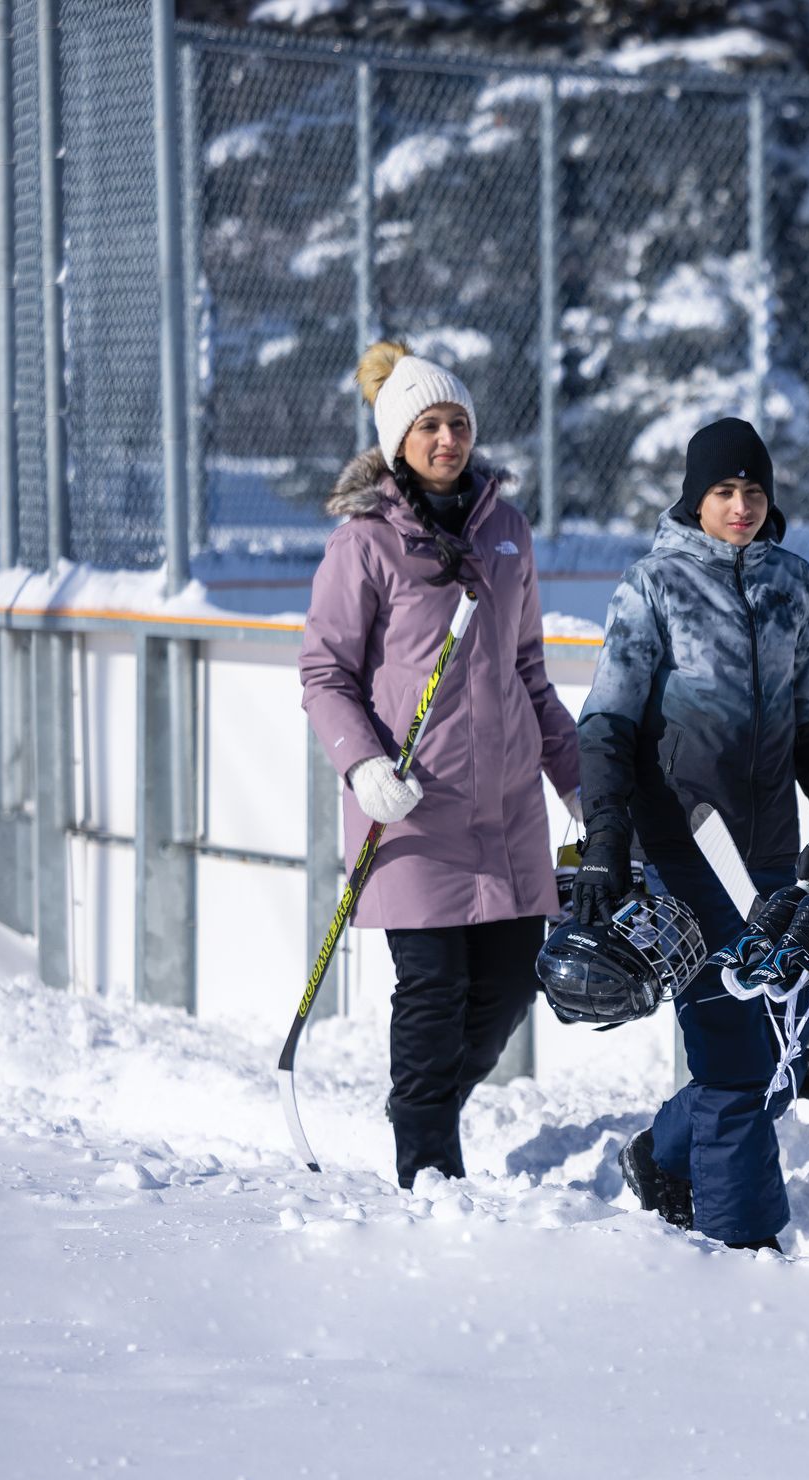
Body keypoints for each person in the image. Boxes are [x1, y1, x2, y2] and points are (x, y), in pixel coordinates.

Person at [299, 340, 581, 1190]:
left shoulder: (507, 532)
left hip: (507, 809)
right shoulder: (364, 544)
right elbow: (324, 674)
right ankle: (428, 1170)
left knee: (507, 988)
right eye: (429, 426)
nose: (448, 439)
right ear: (398, 440)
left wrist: (579, 783)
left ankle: (422, 1109)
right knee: (432, 990)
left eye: (458, 422)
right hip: (414, 807)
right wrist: (362, 766)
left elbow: (529, 672)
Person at [573, 417, 809, 1251]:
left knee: (774, 1049)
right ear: (695, 499)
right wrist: (605, 838)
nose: (741, 506)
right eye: (724, 491)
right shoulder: (653, 585)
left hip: (770, 857)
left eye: (754, 491)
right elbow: (607, 723)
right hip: (684, 854)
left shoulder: (791, 584)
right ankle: (745, 1248)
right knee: (735, 1061)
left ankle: (662, 1154)